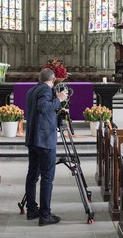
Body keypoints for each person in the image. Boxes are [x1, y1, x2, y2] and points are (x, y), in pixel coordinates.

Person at [24, 68, 69, 226]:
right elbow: (43, 107)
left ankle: (31, 210)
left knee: (32, 175)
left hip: (33, 139)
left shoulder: (31, 90)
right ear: (53, 79)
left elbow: (39, 111)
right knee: (47, 178)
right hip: (44, 140)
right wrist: (59, 99)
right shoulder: (45, 89)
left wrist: (55, 102)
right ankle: (45, 215)